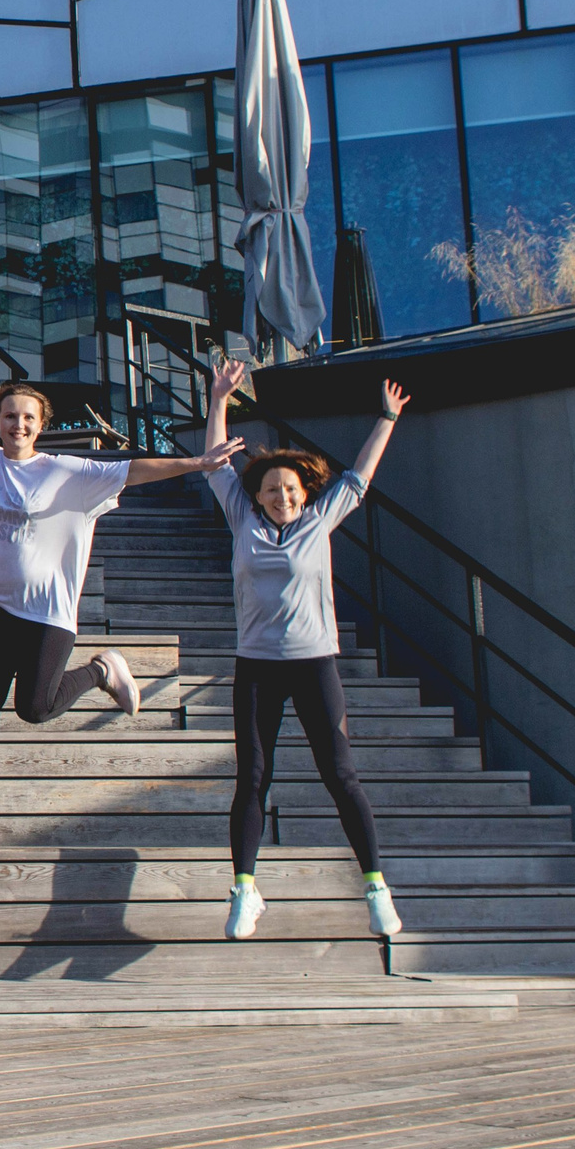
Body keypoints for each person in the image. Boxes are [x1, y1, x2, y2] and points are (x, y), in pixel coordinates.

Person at [0, 314, 242, 823]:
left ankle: (102, 668)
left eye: (28, 419)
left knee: (35, 709)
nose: (17, 425)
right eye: (9, 416)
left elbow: (132, 470)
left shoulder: (66, 472)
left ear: (40, 426)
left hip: (47, 616)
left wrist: (195, 464)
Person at [206, 361, 407, 942]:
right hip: (257, 667)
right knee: (253, 777)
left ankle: (376, 887)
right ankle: (245, 890)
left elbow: (360, 477)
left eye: (290, 489)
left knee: (340, 775)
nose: (282, 496)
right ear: (260, 493)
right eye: (273, 488)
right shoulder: (241, 515)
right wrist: (217, 397)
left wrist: (385, 420)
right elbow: (216, 460)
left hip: (315, 663)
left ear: (302, 493)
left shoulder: (320, 521)